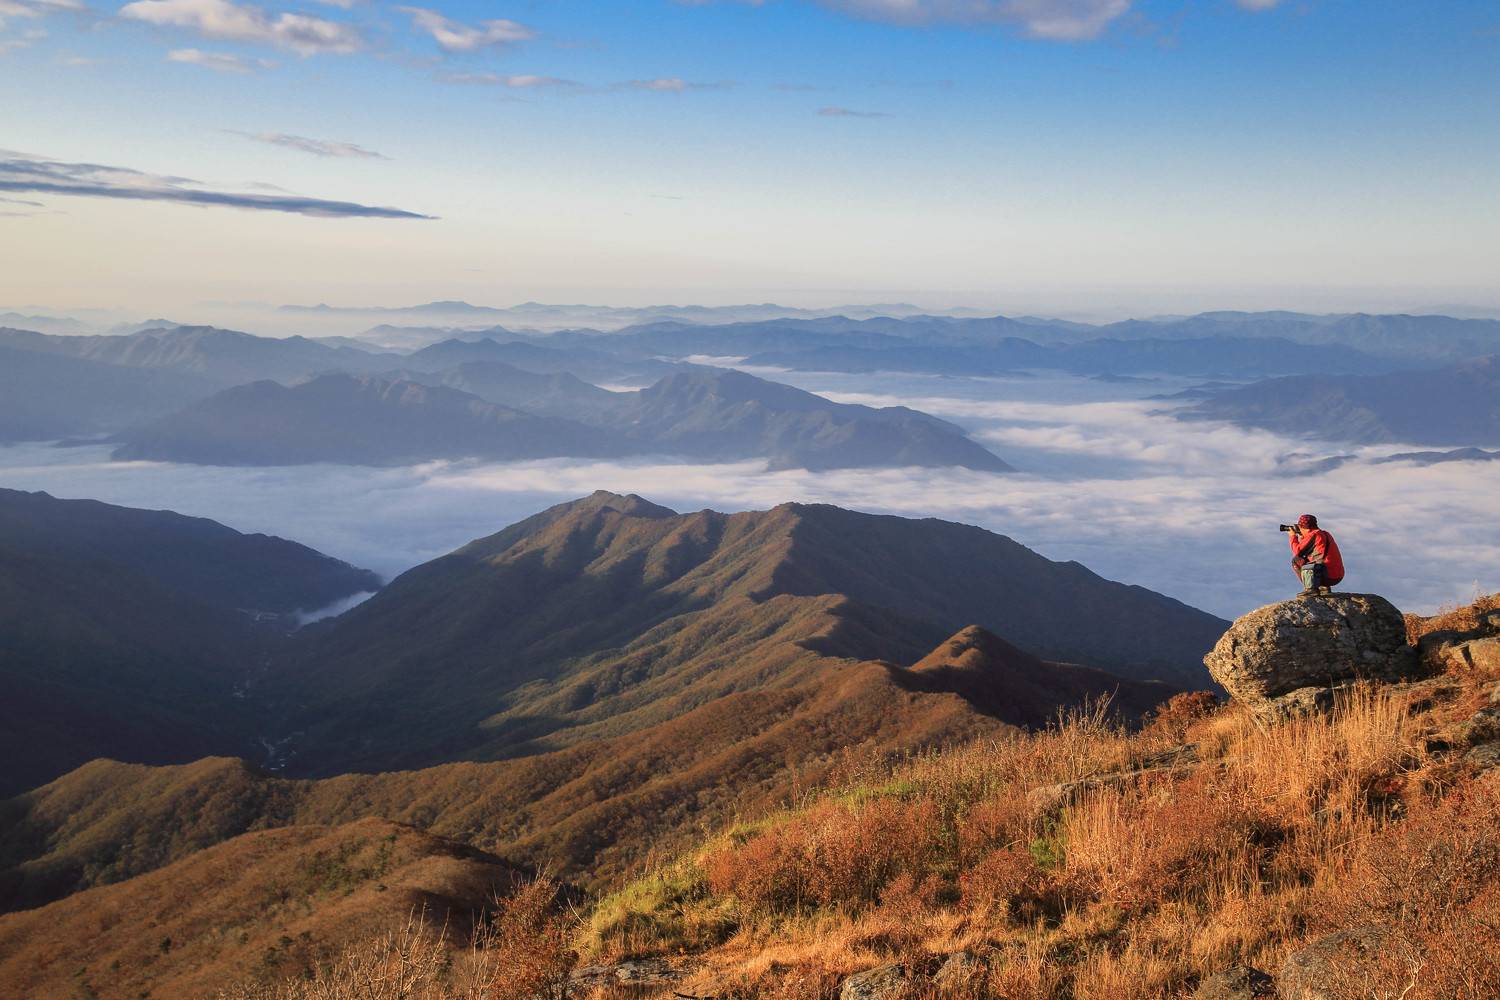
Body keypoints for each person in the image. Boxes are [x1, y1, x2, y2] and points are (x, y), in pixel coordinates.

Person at [1289, 514, 1344, 596]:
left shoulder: (1314, 535)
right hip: (1337, 575)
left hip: (1328, 575)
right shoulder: (1325, 534)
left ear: (1304, 528)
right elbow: (1310, 549)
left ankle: (1311, 589)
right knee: (1309, 559)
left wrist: (1293, 536)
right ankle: (1323, 587)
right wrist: (1302, 536)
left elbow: (1298, 551)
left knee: (1297, 560)